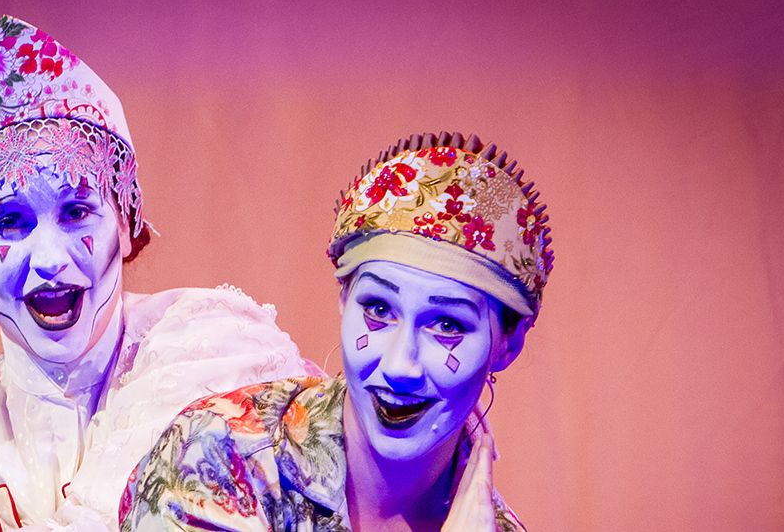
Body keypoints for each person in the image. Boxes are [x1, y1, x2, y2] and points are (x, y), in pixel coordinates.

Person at [0, 16, 320, 532]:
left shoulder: (208, 360)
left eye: (76, 210)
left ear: (124, 224)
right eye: (10, 221)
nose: (50, 259)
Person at [119, 132, 553, 531]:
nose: (401, 365)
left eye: (447, 325)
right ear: (344, 301)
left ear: (507, 344)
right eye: (378, 309)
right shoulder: (221, 455)